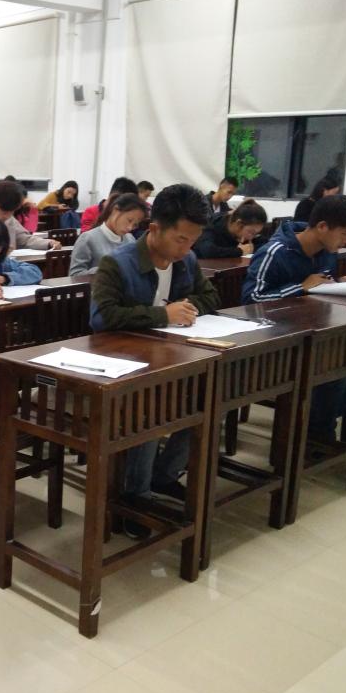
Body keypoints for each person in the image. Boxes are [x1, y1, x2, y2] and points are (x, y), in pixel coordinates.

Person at [89, 184, 220, 537]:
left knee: (211, 399)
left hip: (171, 357)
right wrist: (163, 315)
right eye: (181, 239)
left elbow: (210, 297)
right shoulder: (117, 263)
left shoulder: (186, 261)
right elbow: (102, 318)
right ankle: (135, 497)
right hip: (122, 365)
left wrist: (186, 309)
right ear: (155, 228)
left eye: (193, 240)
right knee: (150, 409)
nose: (187, 248)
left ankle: (164, 475)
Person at [242, 194, 346, 445]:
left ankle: (320, 428)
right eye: (344, 233)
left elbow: (320, 286)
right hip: (274, 339)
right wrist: (300, 287)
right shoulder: (275, 252)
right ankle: (316, 436)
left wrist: (340, 283)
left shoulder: (326, 252)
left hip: (313, 333)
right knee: (335, 366)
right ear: (322, 226)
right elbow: (250, 300)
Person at [69, 192, 147, 276]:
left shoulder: (130, 239)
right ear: (115, 210)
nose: (130, 228)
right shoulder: (88, 238)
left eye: (135, 225)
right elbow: (74, 275)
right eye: (129, 220)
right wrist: (106, 269)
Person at [193, 199, 268, 259]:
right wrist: (240, 251)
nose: (251, 237)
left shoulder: (247, 232)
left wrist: (251, 248)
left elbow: (266, 244)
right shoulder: (212, 224)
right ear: (239, 224)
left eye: (255, 234)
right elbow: (207, 250)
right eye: (251, 232)